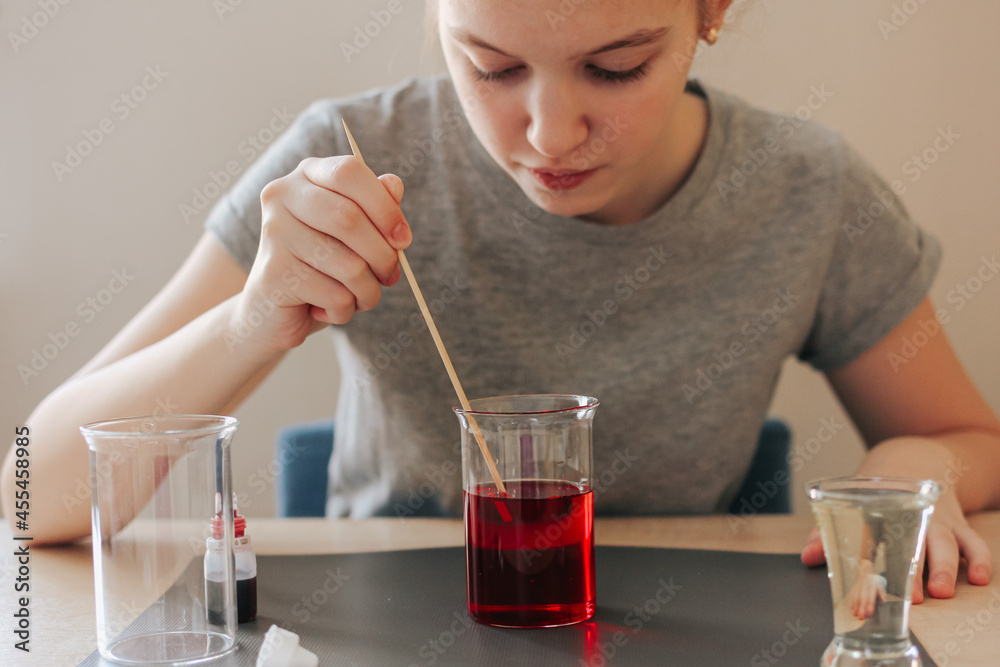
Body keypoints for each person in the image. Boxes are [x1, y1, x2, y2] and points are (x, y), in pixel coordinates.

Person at [4, 0, 998, 608]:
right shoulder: (352, 160)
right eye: (491, 66)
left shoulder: (806, 191)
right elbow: (29, 494)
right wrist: (252, 319)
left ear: (711, 10)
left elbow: (969, 437)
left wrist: (912, 469)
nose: (550, 133)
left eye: (615, 67)